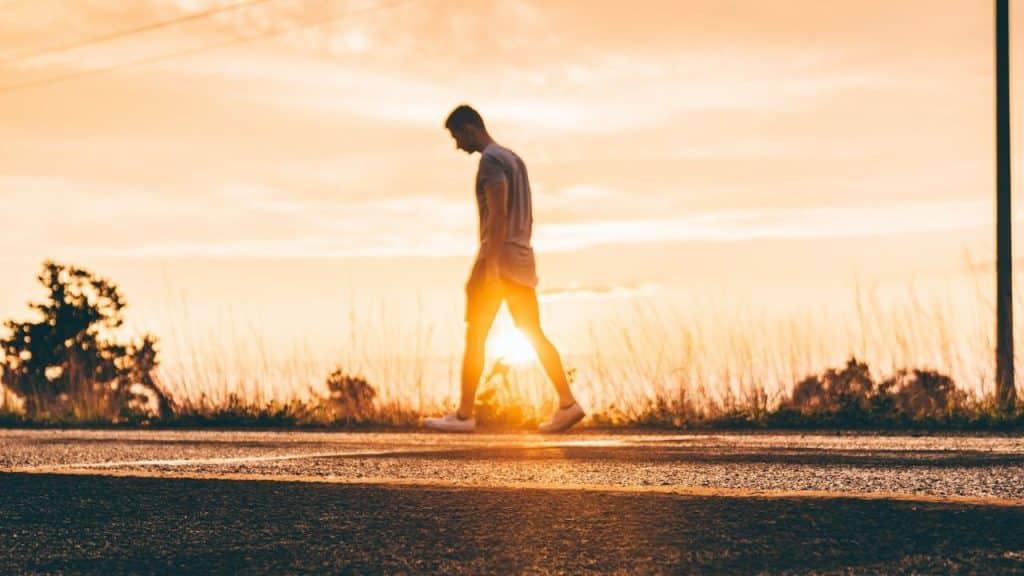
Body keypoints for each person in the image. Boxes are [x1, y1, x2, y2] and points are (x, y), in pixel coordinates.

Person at [424, 104, 585, 434]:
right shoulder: (515, 159)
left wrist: (489, 266)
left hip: (500, 262)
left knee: (476, 335)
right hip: (523, 259)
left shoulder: (491, 160)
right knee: (532, 331)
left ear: (470, 128)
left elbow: (497, 215)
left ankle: (464, 415)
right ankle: (568, 404)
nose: (457, 145)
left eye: (456, 136)